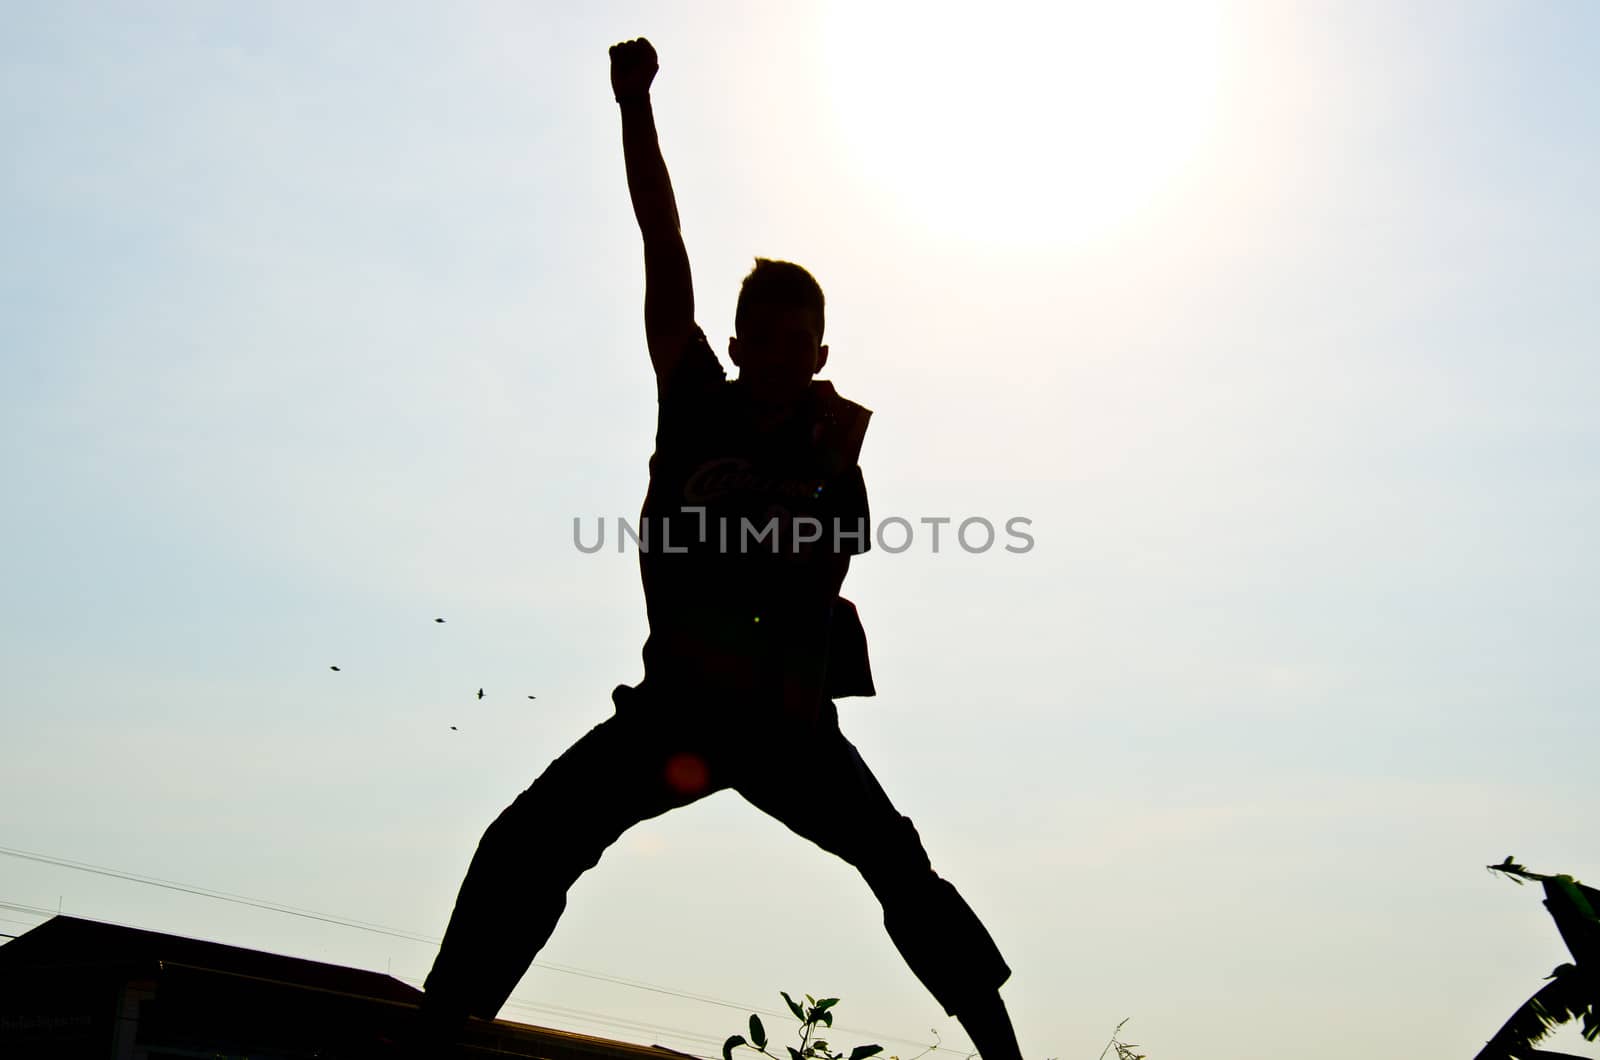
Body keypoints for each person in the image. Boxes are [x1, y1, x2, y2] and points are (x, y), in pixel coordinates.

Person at [414, 37, 1023, 1060]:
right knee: (527, 842)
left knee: (898, 866)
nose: (784, 358)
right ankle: (440, 1030)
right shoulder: (695, 401)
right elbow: (663, 244)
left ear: (820, 353)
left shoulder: (836, 456)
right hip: (679, 714)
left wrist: (797, 495)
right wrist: (634, 110)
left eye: (802, 344)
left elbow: (823, 563)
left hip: (785, 727)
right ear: (738, 345)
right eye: (766, 339)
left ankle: (1004, 1050)